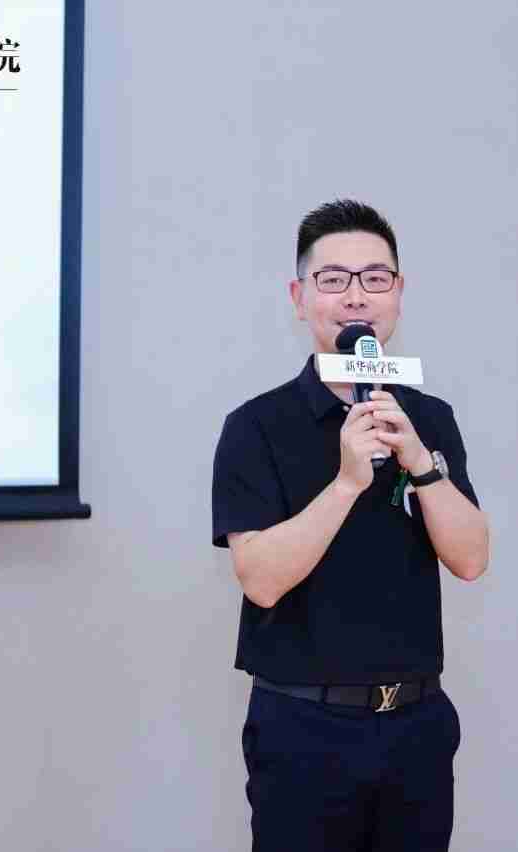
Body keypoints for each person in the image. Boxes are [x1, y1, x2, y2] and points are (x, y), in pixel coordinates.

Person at [211, 199, 489, 851]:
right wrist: (346, 483)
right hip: (304, 727)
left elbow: (472, 558)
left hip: (417, 723)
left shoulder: (429, 418)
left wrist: (420, 463)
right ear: (300, 298)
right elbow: (260, 580)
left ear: (398, 293)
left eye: (375, 278)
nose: (356, 296)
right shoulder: (256, 426)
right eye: (333, 279)